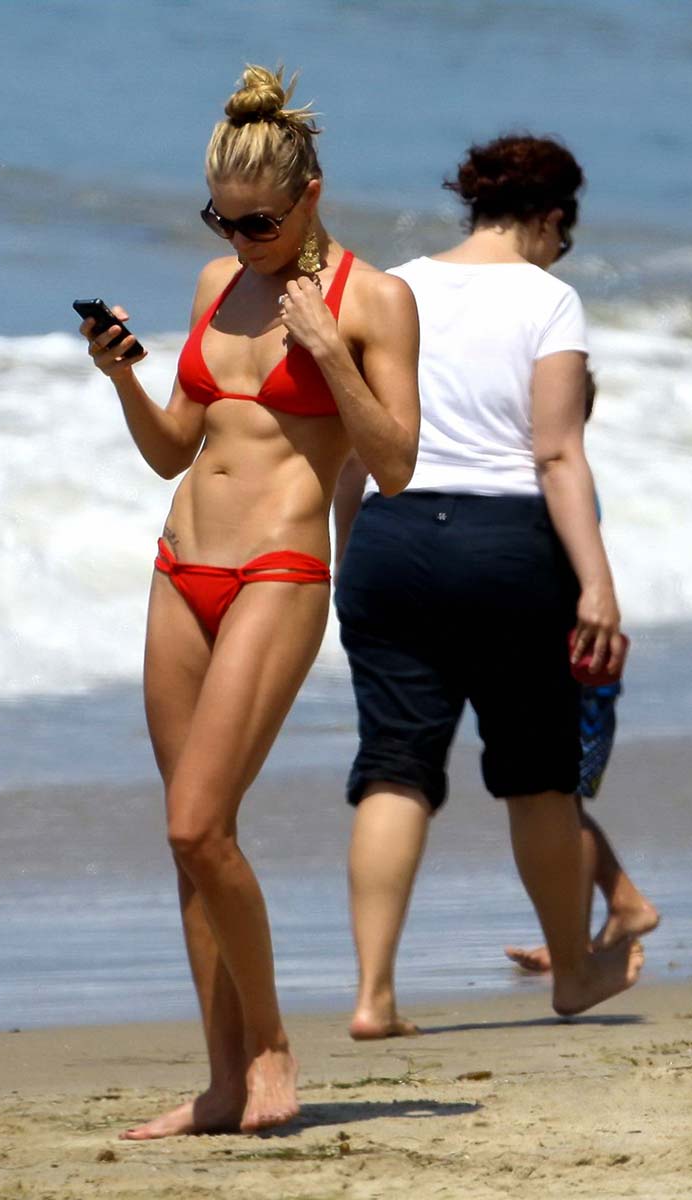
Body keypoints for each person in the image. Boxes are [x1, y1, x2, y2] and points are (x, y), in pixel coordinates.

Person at [80, 64, 419, 1135]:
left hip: (279, 572)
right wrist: (123, 377)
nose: (242, 239)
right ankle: (224, 1082)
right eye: (223, 221)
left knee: (197, 824)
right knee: (191, 838)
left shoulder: (374, 300)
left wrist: (330, 355)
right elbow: (172, 450)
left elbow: (396, 463)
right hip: (180, 569)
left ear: (310, 193)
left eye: (261, 222)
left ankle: (271, 1048)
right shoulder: (213, 288)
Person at [333, 132, 644, 1040]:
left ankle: (373, 997)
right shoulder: (548, 299)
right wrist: (597, 582)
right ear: (550, 218)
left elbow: (354, 448)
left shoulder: (390, 285)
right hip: (507, 548)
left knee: (394, 766)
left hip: (391, 539)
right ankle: (573, 975)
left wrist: (351, 555)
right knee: (539, 779)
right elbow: (555, 452)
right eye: (563, 235)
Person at [504, 370, 659, 972]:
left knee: (555, 799)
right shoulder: (556, 475)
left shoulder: (558, 480)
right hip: (577, 657)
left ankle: (618, 909)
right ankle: (606, 915)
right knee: (556, 799)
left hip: (574, 661)